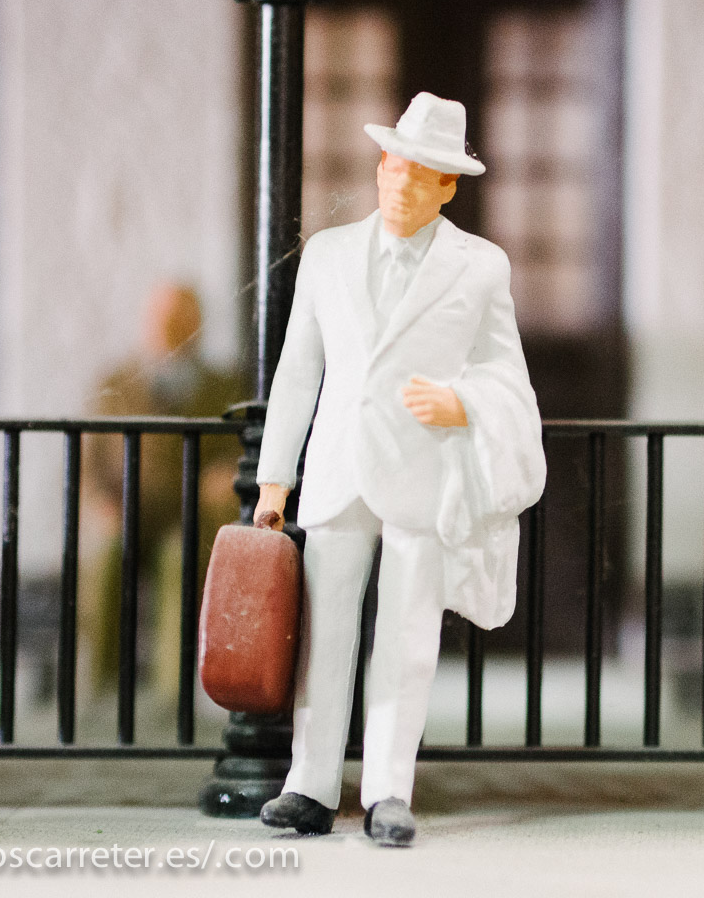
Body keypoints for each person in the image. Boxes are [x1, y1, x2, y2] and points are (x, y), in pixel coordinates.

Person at [252, 91, 545, 847]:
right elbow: (297, 372)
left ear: (449, 186)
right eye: (390, 164)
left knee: (408, 638)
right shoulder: (330, 254)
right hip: (340, 465)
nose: (397, 182)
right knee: (324, 631)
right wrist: (275, 479)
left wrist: (466, 402)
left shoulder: (479, 267)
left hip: (421, 469)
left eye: (418, 174)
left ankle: (388, 788)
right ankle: (309, 783)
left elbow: (504, 372)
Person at [84, 283, 244, 698]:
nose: (172, 327)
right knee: (106, 557)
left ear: (200, 325)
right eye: (163, 317)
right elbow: (90, 459)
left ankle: (171, 693)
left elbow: (237, 450)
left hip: (192, 516)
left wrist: (223, 476)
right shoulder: (117, 382)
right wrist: (101, 503)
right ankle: (101, 686)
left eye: (183, 317)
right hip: (125, 509)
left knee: (180, 560)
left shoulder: (224, 387)